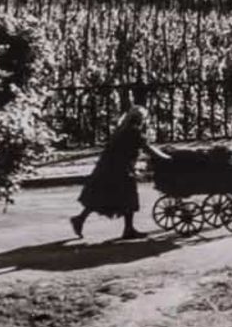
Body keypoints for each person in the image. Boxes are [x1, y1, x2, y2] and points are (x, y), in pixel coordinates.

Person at [71, 90, 166, 241]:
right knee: (128, 198)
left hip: (108, 168)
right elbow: (148, 148)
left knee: (101, 197)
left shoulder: (122, 130)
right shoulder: (134, 132)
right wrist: (166, 157)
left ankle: (80, 219)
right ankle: (128, 229)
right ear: (139, 119)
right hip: (121, 170)